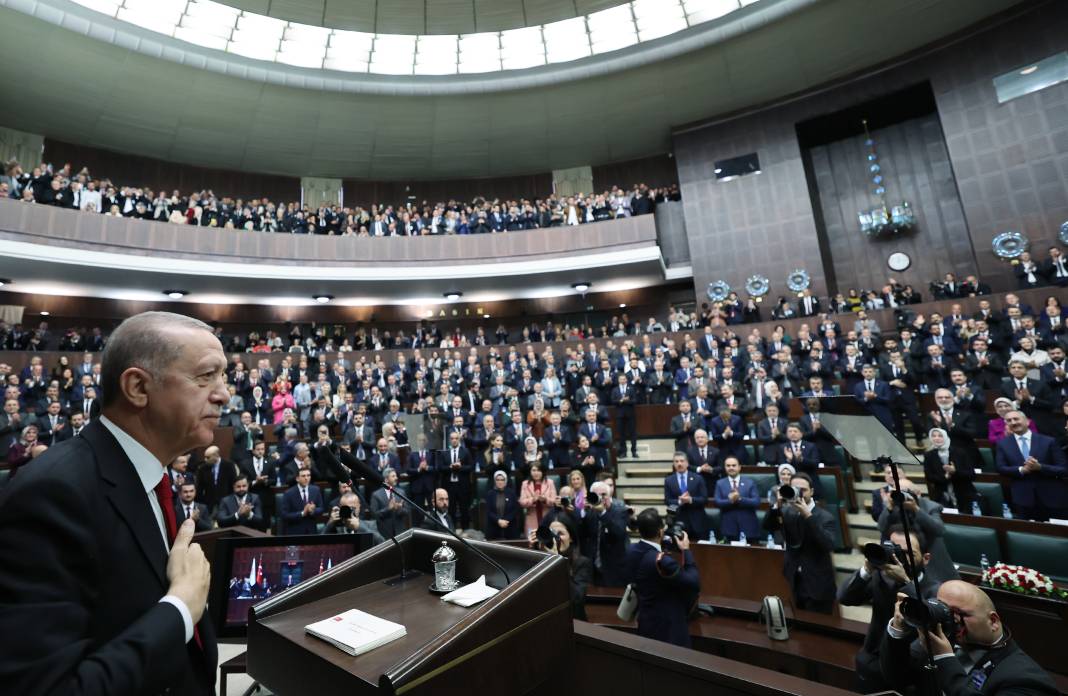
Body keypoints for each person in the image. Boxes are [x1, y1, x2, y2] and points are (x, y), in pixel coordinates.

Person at [0, 311, 220, 694]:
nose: (222, 392)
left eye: (223, 377)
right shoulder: (52, 494)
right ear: (137, 387)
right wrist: (180, 609)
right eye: (205, 377)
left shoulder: (155, 477)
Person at [879, 580, 1058, 695]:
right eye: (944, 610)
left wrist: (944, 659)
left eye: (958, 612)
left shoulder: (1024, 680)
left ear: (993, 621)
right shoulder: (938, 643)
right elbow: (897, 678)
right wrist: (898, 631)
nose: (950, 619)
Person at [837, 525, 939, 692]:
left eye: (908, 553)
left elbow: (925, 618)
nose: (899, 558)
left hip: (908, 672)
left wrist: (906, 582)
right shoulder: (881, 577)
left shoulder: (934, 589)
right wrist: (867, 570)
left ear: (926, 558)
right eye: (894, 551)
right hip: (872, 661)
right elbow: (845, 598)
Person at [762, 472, 837, 614]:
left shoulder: (825, 517)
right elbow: (767, 526)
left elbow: (828, 544)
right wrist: (776, 505)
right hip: (792, 580)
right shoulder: (786, 511)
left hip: (817, 584)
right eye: (795, 489)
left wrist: (808, 515)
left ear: (812, 491)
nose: (799, 493)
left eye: (803, 490)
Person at [625, 508, 700, 647]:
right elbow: (693, 581)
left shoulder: (631, 550)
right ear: (660, 531)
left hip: (646, 620)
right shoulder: (662, 561)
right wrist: (686, 550)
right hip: (668, 629)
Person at [995, 410, 1068, 521]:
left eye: (1016, 419)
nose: (1013, 422)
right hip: (1023, 499)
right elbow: (1001, 468)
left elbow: (1063, 469)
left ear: (1027, 422)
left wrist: (1040, 467)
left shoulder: (1048, 441)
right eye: (1009, 420)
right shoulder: (1003, 444)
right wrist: (1021, 470)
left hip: (1052, 497)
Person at [530, 511, 591, 620]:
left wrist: (556, 561)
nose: (556, 538)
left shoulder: (582, 563)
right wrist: (533, 551)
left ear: (571, 537)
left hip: (573, 622)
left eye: (560, 534)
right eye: (552, 532)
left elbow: (577, 599)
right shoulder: (542, 558)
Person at [582, 480, 631, 587]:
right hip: (593, 568)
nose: (601, 498)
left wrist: (603, 513)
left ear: (610, 496)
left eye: (604, 495)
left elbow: (618, 533)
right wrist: (583, 511)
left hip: (613, 569)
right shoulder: (590, 513)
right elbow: (581, 533)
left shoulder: (620, 511)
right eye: (597, 495)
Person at [923, 428, 978, 513]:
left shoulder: (959, 452)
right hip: (942, 494)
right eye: (933, 436)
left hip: (964, 493)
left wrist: (955, 472)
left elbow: (972, 475)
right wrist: (944, 477)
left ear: (945, 437)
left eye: (940, 436)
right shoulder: (929, 455)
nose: (936, 438)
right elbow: (929, 477)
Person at [713, 456, 761, 542]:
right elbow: (717, 502)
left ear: (739, 467)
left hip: (748, 526)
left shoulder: (750, 482)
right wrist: (731, 501)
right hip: (729, 527)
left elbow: (756, 502)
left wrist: (739, 499)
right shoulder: (720, 483)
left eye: (734, 465)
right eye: (728, 465)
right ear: (725, 467)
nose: (731, 468)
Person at [663, 451, 708, 540]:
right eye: (676, 461)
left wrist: (690, 500)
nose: (679, 464)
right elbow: (667, 501)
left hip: (697, 520)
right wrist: (680, 501)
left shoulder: (698, 478)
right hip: (678, 521)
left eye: (682, 461)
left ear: (687, 463)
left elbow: (704, 499)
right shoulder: (668, 480)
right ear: (673, 464)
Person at [439, 429, 473, 529]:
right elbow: (440, 468)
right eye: (452, 438)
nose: (454, 440)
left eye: (456, 438)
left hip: (462, 485)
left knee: (464, 510)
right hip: (449, 486)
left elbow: (470, 467)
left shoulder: (465, 451)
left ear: (459, 440)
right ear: (449, 440)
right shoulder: (444, 452)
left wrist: (460, 467)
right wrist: (450, 467)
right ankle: (452, 531)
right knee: (451, 510)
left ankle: (466, 532)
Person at [280, 466, 324, 535]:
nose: (306, 478)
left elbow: (321, 509)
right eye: (303, 476)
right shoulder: (288, 493)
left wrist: (313, 511)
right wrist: (303, 513)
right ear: (297, 478)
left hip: (311, 530)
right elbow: (284, 515)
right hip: (294, 531)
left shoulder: (316, 490)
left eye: (308, 475)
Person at [194, 445, 237, 513]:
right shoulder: (202, 468)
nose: (205, 459)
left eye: (208, 457)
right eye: (205, 457)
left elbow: (233, 484)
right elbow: (199, 487)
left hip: (226, 502)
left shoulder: (229, 465)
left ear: (216, 455)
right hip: (209, 504)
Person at [370, 467, 410, 538]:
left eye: (396, 476)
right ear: (386, 479)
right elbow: (373, 515)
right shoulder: (376, 495)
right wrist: (388, 509)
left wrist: (399, 509)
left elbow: (407, 511)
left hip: (400, 531)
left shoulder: (401, 492)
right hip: (384, 532)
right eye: (393, 476)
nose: (396, 478)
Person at [519, 463, 557, 536]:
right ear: (530, 472)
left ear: (542, 472)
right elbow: (522, 502)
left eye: (538, 470)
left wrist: (545, 499)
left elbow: (554, 501)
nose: (536, 473)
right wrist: (533, 499)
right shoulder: (525, 484)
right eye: (534, 470)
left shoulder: (550, 482)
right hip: (531, 517)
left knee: (547, 541)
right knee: (532, 542)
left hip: (547, 517)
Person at [484, 470, 520, 540]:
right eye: (497, 480)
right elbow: (489, 511)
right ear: (495, 481)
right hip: (494, 526)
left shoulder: (511, 493)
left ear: (505, 481)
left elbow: (515, 509)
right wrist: (498, 520)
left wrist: (505, 520)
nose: (500, 482)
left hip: (509, 525)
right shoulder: (490, 494)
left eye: (502, 480)